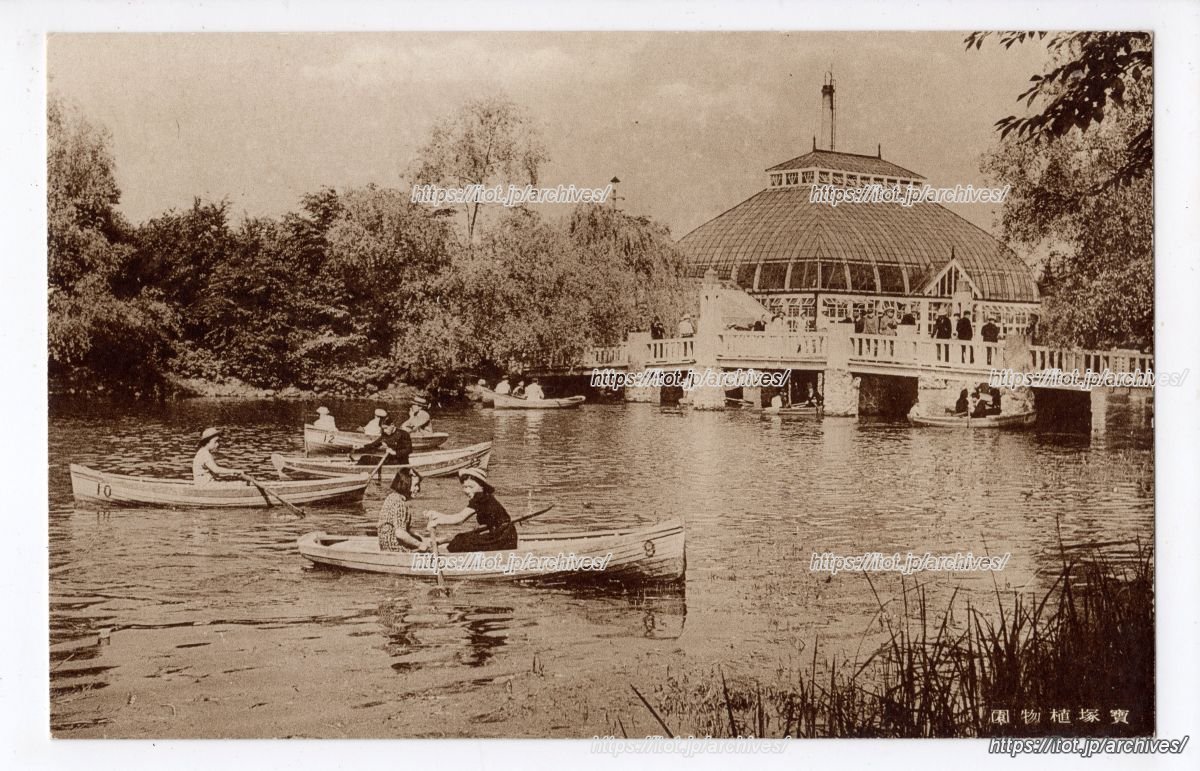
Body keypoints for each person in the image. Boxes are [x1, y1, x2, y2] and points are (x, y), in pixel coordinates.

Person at [426, 468, 517, 553]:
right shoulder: (485, 496)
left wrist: (437, 521)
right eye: (465, 487)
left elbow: (459, 519)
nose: (468, 490)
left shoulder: (480, 497)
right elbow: (458, 516)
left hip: (502, 537)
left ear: (482, 487)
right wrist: (436, 515)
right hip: (504, 535)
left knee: (459, 543)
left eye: (471, 487)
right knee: (460, 538)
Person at [377, 468, 428, 552]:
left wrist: (422, 539)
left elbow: (405, 528)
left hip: (385, 546)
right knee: (427, 550)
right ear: (406, 484)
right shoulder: (400, 504)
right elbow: (400, 533)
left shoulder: (392, 497)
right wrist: (420, 544)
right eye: (415, 485)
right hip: (394, 549)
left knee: (421, 542)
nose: (418, 489)